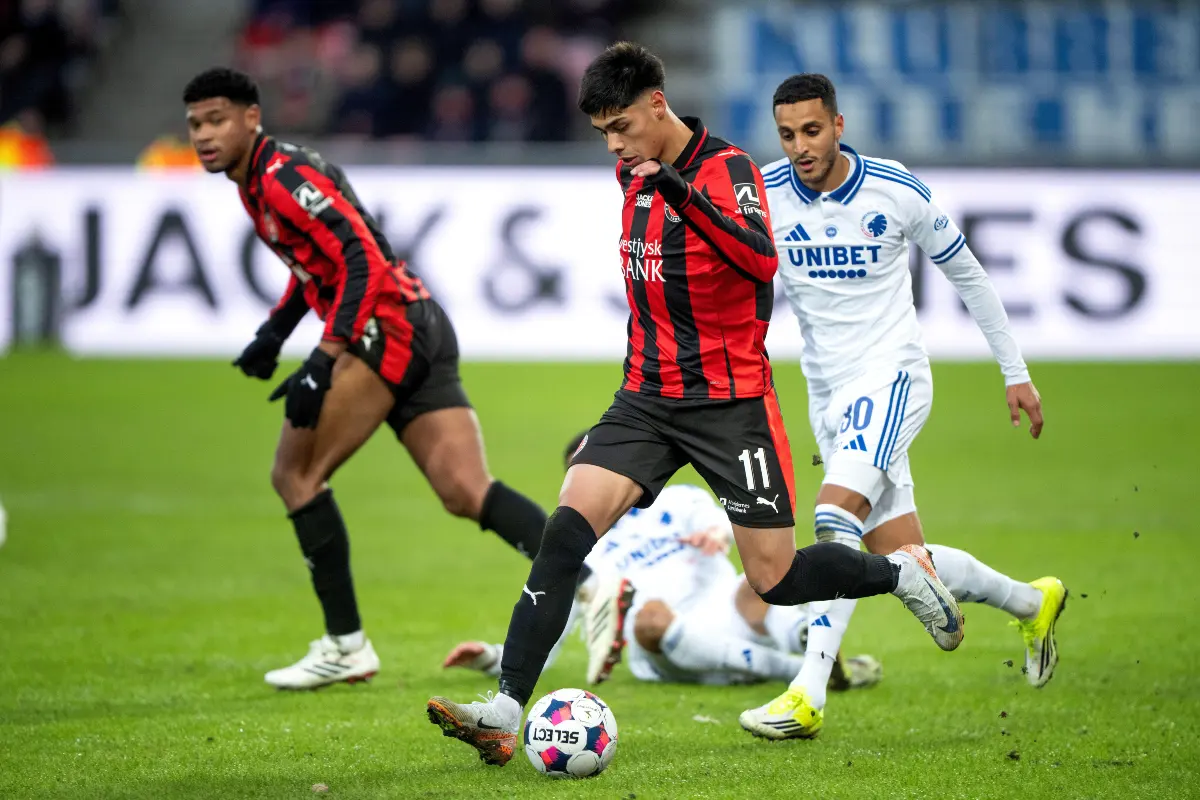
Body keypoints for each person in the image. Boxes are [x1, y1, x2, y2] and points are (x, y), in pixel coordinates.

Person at [424, 42, 963, 768]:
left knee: (777, 577)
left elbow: (756, 259)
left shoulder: (728, 168)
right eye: (603, 134)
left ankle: (901, 573)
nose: (614, 145)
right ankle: (505, 710)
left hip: (729, 404)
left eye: (621, 127)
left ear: (657, 103)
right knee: (564, 535)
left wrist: (680, 191)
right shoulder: (630, 172)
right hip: (645, 399)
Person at [183, 67, 552, 689]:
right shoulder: (259, 180)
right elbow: (318, 266)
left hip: (388, 330)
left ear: (252, 117)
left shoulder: (280, 179)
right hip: (416, 319)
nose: (203, 135)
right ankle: (595, 589)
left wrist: (323, 358)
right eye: (194, 124)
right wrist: (275, 331)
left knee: (294, 474)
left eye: (217, 120)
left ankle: (346, 644)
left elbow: (362, 258)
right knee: (465, 489)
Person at [738, 73, 1068, 741]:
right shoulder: (766, 195)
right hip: (827, 393)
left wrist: (1016, 373)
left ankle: (807, 695)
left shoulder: (895, 189)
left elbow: (969, 274)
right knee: (901, 556)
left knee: (834, 520)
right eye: (787, 134)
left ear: (838, 124)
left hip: (891, 379)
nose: (800, 146)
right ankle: (1034, 603)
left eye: (811, 130)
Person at [442, 433, 883, 690]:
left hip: (728, 608)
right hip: (666, 642)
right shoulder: (579, 545)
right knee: (650, 618)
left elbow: (724, 521)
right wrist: (493, 659)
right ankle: (805, 671)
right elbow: (551, 624)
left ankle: (808, 647)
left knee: (764, 578)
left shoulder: (677, 499)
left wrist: (717, 534)